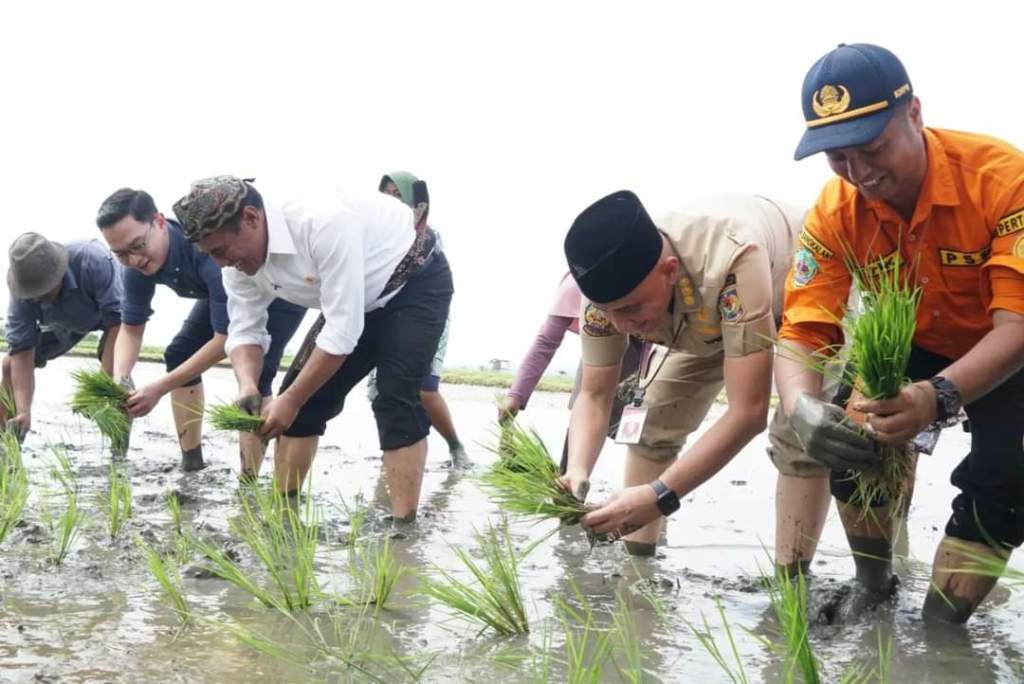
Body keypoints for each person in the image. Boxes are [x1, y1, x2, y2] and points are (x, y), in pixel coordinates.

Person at [773, 43, 1024, 623]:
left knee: (1003, 478)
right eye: (837, 158)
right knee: (849, 433)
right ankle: (875, 581)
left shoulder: (1001, 181)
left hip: (1009, 347)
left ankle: (941, 627)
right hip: (913, 339)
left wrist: (937, 398)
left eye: (871, 148)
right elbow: (803, 330)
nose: (859, 173)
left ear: (913, 114)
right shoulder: (837, 211)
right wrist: (799, 406)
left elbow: (1017, 323)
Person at [174, 176, 453, 522]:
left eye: (220, 251)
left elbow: (341, 331)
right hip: (357, 299)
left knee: (394, 398)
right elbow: (245, 329)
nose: (220, 263)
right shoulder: (236, 265)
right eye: (209, 254)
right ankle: (283, 515)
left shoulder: (321, 223)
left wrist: (289, 400)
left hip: (414, 282)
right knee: (301, 406)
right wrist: (248, 384)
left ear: (251, 217)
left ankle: (402, 527)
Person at [560, 191, 802, 556]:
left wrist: (661, 495)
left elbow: (748, 413)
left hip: (793, 292)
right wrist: (577, 471)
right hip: (703, 320)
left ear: (669, 271)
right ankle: (637, 569)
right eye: (609, 312)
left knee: (801, 434)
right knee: (653, 421)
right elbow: (594, 394)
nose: (621, 324)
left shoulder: (732, 258)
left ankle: (792, 581)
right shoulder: (604, 295)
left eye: (631, 309)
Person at [95, 188, 306, 473]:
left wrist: (159, 387)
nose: (133, 260)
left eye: (138, 246)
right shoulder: (135, 266)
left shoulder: (206, 250)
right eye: (121, 254)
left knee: (258, 375)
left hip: (275, 291)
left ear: (158, 221)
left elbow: (225, 340)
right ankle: (191, 462)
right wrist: (122, 378)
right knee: (180, 353)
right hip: (224, 295)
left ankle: (248, 482)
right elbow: (130, 330)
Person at [499, 272, 646, 473]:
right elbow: (546, 342)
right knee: (585, 406)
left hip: (654, 343)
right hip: (602, 338)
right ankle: (569, 484)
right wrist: (516, 395)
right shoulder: (575, 285)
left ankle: (641, 491)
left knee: (646, 426)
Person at [370, 171, 466, 465]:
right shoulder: (372, 233)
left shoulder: (428, 234)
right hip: (385, 316)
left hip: (424, 318)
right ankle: (395, 451)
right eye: (385, 195)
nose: (391, 201)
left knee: (424, 389)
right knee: (382, 391)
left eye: (398, 195)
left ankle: (455, 447)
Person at [2, 233, 122, 442]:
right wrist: (24, 410)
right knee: (9, 365)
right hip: (63, 324)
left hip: (109, 317)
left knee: (117, 375)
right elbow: (22, 351)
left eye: (44, 291)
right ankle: (9, 439)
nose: (37, 298)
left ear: (59, 274)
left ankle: (119, 444)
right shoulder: (22, 293)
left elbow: (118, 324)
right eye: (33, 294)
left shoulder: (92, 260)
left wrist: (101, 386)